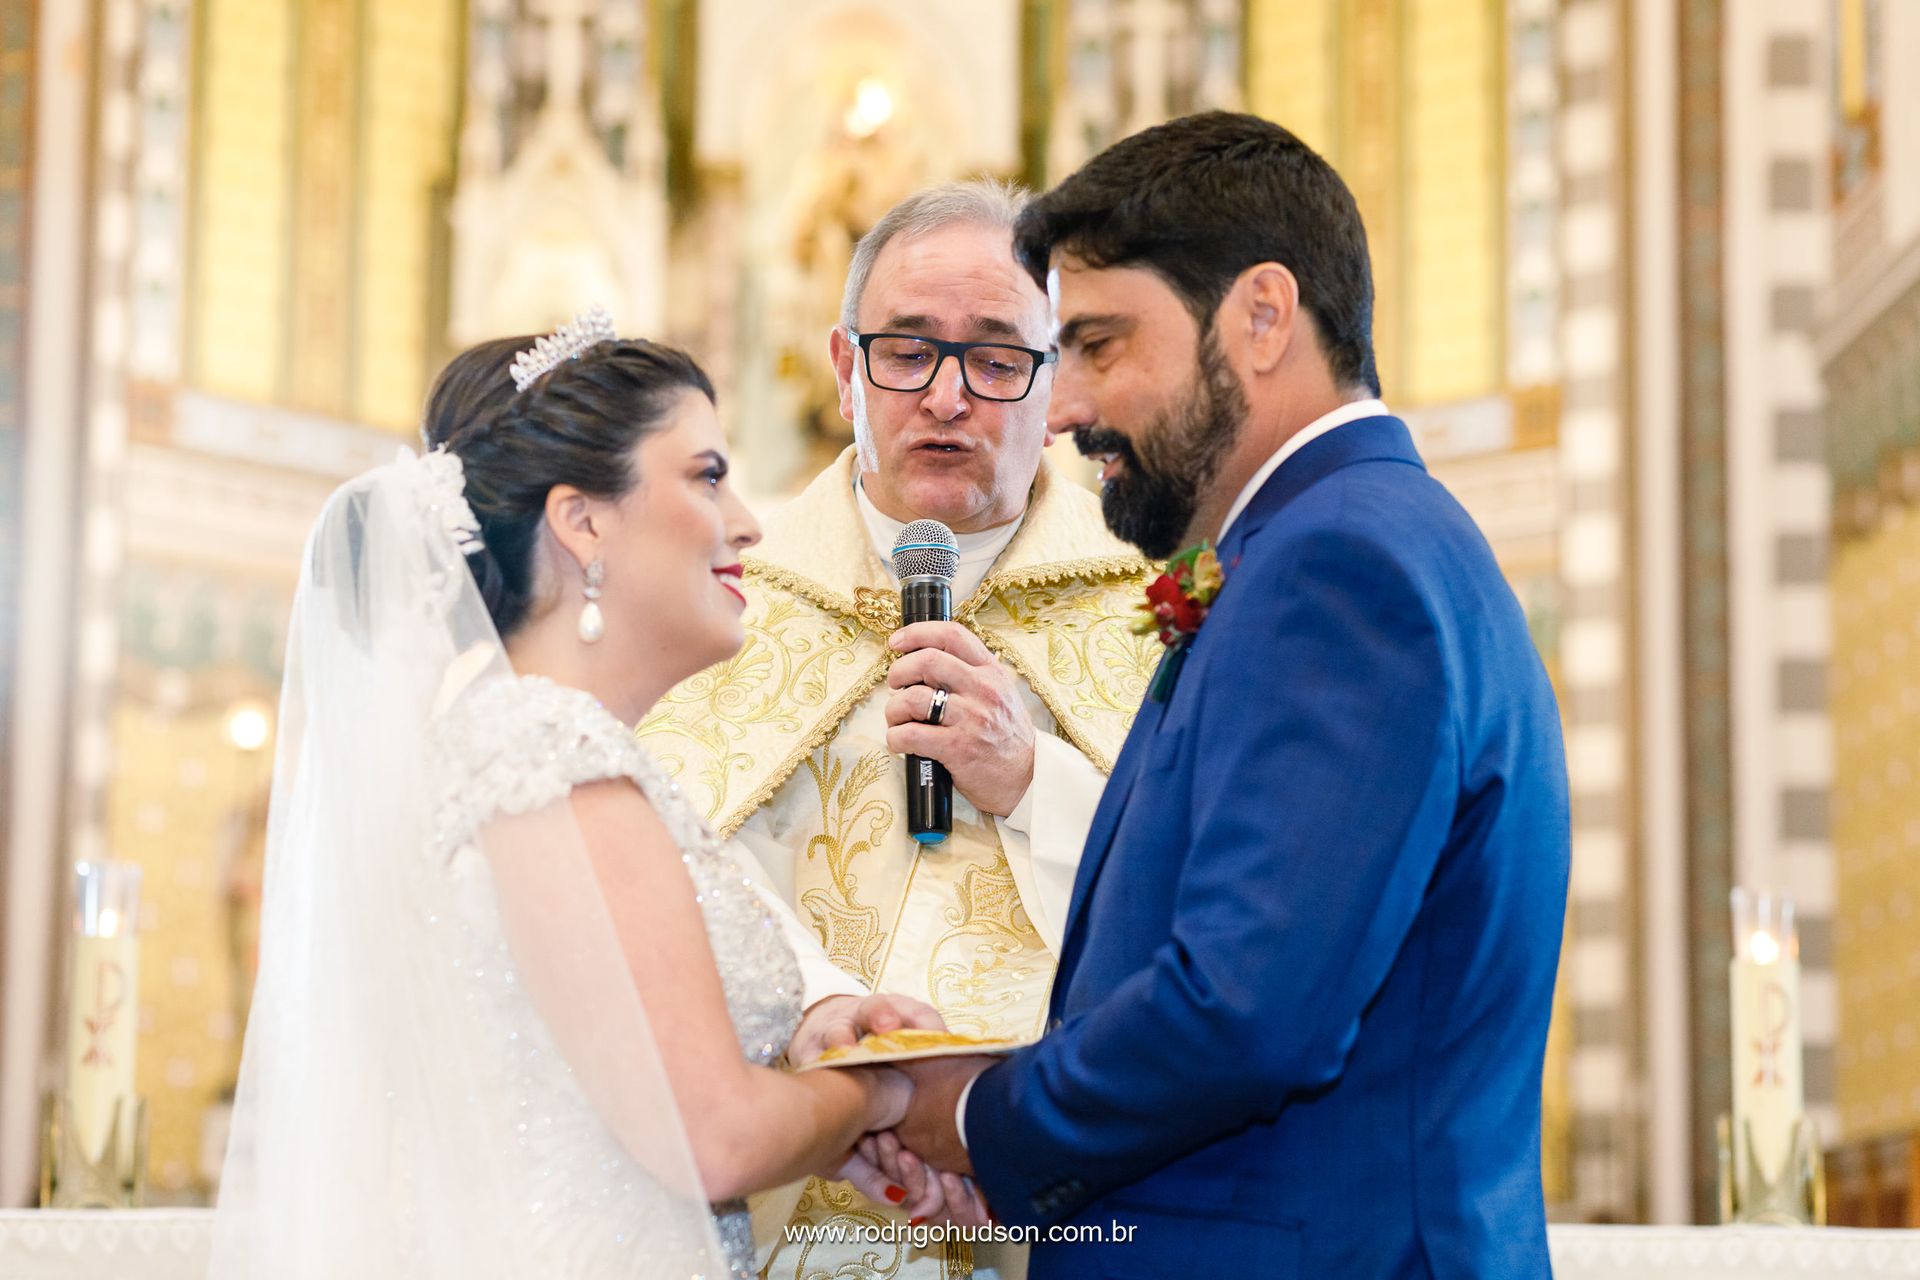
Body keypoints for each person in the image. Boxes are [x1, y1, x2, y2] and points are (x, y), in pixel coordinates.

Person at [881, 112, 1573, 1277]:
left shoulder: (1339, 564)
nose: (1060, 408)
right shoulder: (1346, 542)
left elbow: (1246, 1012)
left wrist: (972, 1119)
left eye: (1100, 346)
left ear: (1261, 316)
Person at [210, 314, 975, 1280]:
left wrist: (817, 1065)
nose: (747, 521)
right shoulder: (547, 756)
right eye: (705, 475)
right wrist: (879, 1094)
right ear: (582, 522)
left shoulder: (511, 748)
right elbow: (715, 1139)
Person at [639, 180, 1159, 1279]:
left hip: (1070, 1217)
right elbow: (659, 875)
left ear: (1057, 378)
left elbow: (1224, 924)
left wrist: (1035, 779)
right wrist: (826, 1009)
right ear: (843, 365)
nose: (948, 396)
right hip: (783, 1200)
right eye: (908, 349)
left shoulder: (1158, 610)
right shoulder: (728, 599)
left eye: (998, 356)